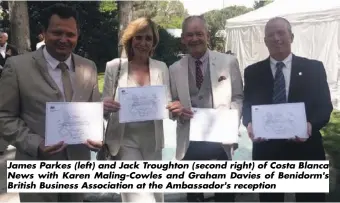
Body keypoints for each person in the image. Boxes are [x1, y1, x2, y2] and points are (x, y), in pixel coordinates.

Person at [0, 3, 103, 202]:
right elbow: (3, 116)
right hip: (35, 166)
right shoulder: (17, 67)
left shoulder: (88, 67)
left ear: (77, 35)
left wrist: (98, 137)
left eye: (70, 34)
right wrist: (36, 143)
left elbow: (93, 112)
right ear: (44, 33)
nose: (64, 39)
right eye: (57, 33)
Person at [242, 17, 333, 202]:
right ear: (265, 41)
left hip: (307, 149)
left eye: (281, 33)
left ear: (291, 36)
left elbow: (325, 106)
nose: (276, 38)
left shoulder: (314, 68)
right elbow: (247, 106)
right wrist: (250, 123)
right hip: (267, 151)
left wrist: (310, 125)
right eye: (270, 35)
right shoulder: (252, 72)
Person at [102, 17, 183, 202]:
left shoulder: (161, 68)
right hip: (123, 142)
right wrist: (104, 106)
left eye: (148, 38)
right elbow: (104, 106)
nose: (143, 43)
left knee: (155, 195)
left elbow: (168, 105)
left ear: (154, 42)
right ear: (130, 39)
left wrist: (175, 108)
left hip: (152, 142)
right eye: (138, 37)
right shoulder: (114, 67)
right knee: (138, 196)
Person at [168, 15, 243, 202]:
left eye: (199, 34)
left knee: (225, 195)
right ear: (183, 38)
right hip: (190, 141)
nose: (195, 39)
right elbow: (171, 104)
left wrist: (230, 124)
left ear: (207, 35)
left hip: (220, 140)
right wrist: (174, 109)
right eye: (190, 35)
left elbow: (238, 97)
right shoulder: (174, 69)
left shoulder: (228, 62)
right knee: (194, 196)